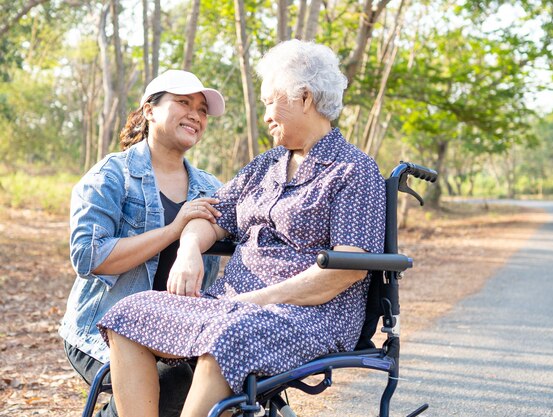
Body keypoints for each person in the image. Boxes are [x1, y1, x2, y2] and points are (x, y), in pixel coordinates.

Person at [97, 40, 386, 417]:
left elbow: (347, 267)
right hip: (231, 304)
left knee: (230, 336)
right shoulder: (265, 165)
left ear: (304, 98)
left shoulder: (353, 170)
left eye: (270, 101)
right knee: (129, 313)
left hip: (310, 315)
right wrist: (188, 249)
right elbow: (209, 215)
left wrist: (261, 299)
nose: (265, 115)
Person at [59, 70, 226, 417]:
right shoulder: (111, 175)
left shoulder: (211, 189)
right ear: (149, 110)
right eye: (183, 103)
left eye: (202, 109)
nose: (195, 114)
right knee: (174, 385)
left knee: (228, 382)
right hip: (104, 331)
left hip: (180, 334)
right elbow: (89, 256)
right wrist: (173, 230)